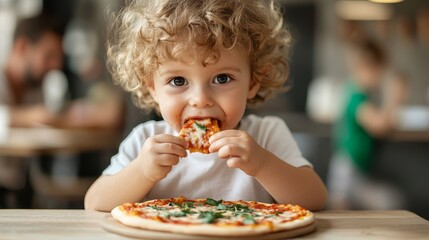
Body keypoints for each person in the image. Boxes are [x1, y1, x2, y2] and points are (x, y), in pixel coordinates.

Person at [84, 0, 327, 212]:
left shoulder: (267, 135)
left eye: (222, 78)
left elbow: (315, 198)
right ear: (153, 88)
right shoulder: (146, 141)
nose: (200, 99)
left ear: (252, 82)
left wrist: (262, 164)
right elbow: (95, 202)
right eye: (178, 81)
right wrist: (142, 172)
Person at [326, 38, 407, 210]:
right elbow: (378, 125)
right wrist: (395, 98)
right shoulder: (356, 96)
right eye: (380, 70)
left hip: (354, 171)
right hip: (348, 173)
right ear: (367, 67)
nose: (381, 76)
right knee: (390, 202)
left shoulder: (359, 93)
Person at [0, 14, 64, 207]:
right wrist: (35, 116)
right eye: (48, 56)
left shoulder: (36, 88)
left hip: (17, 189)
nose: (56, 65)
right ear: (21, 47)